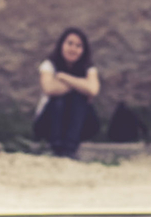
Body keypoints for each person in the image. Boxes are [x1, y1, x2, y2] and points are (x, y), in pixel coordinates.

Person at [34, 27, 101, 158]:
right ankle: (57, 146)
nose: (73, 49)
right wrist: (81, 84)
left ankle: (70, 147)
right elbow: (49, 89)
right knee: (61, 99)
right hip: (48, 122)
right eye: (70, 43)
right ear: (61, 45)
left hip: (82, 124)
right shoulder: (49, 65)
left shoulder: (89, 67)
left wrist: (64, 78)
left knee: (78, 99)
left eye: (78, 45)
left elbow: (93, 90)